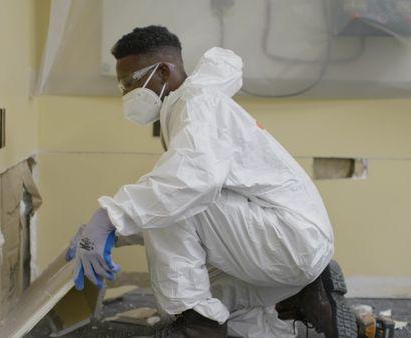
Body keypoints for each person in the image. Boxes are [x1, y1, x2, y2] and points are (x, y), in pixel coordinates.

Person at [66, 25, 356, 337]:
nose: (125, 94)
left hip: (288, 239)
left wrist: (109, 217)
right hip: (289, 243)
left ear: (162, 71)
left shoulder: (198, 103)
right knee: (217, 298)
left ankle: (198, 325)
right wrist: (115, 234)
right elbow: (181, 198)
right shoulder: (191, 106)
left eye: (128, 83)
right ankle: (304, 295)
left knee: (175, 200)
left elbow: (188, 186)